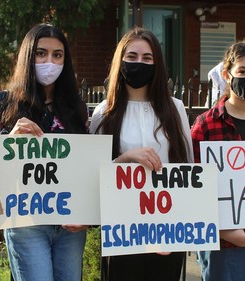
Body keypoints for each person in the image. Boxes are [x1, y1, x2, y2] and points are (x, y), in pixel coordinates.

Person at [0, 23, 88, 281]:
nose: (49, 61)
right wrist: (10, 140)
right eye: (41, 53)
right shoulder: (2, 104)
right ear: (28, 56)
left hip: (69, 224)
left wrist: (88, 213)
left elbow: (86, 165)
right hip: (25, 222)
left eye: (57, 55)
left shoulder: (76, 107)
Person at [89, 27, 193, 281]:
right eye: (132, 57)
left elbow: (188, 167)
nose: (139, 63)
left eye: (147, 58)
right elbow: (92, 173)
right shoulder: (104, 112)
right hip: (122, 229)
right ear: (120, 62)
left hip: (168, 229)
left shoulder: (175, 108)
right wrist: (123, 159)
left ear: (157, 63)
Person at [191, 41, 245, 281]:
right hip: (223, 248)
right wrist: (228, 231)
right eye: (243, 71)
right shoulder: (205, 125)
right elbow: (192, 188)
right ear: (227, 74)